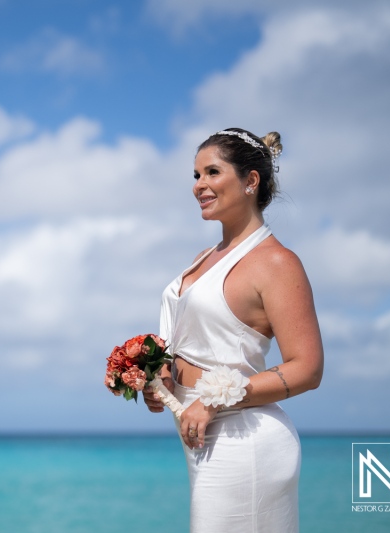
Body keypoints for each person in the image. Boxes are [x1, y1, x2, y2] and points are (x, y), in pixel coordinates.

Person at [143, 128, 324, 532]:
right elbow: (196, 343)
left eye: (212, 172)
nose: (199, 186)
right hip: (200, 437)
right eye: (195, 176)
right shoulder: (202, 258)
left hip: (246, 441)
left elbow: (308, 368)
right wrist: (160, 376)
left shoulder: (277, 263)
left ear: (250, 181)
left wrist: (212, 402)